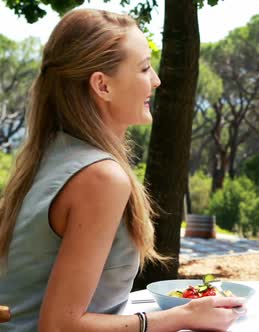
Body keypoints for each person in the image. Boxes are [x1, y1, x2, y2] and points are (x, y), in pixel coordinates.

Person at [0, 8, 244, 332]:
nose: (156, 80)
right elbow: (58, 326)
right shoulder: (101, 177)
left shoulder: (48, 154)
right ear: (102, 86)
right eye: (144, 68)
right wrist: (183, 316)